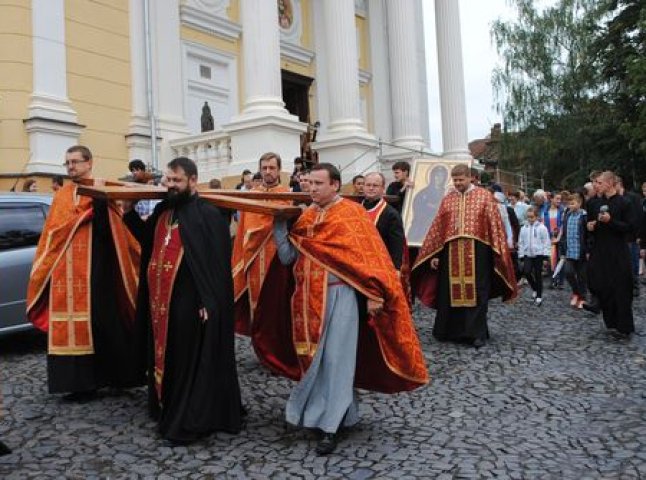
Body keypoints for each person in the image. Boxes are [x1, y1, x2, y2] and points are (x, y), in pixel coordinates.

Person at [268, 163, 428, 455]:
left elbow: (371, 258)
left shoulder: (352, 215)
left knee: (338, 361)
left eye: (318, 183)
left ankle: (330, 426)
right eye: (310, 183)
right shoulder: (306, 216)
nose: (312, 188)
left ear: (335, 185)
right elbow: (289, 258)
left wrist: (375, 294)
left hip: (339, 296)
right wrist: (279, 225)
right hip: (305, 300)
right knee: (313, 360)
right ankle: (322, 414)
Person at [123, 156, 243, 445]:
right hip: (161, 303)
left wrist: (209, 302)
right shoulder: (165, 211)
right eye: (168, 180)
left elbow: (215, 267)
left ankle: (190, 416)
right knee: (168, 357)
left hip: (191, 305)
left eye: (177, 180)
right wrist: (127, 213)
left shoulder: (208, 215)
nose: (171, 185)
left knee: (189, 360)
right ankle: (165, 404)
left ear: (192, 180)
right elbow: (146, 239)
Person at [26, 145, 144, 401]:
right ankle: (80, 385)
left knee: (105, 323)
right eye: (67, 162)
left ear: (89, 163)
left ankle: (117, 377)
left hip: (99, 270)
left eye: (75, 162)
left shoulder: (103, 189)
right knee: (73, 329)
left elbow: (111, 231)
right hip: (66, 274)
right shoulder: (62, 196)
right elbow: (53, 235)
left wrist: (100, 200)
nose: (70, 167)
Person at [411, 164, 517, 348]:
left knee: (477, 291)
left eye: (461, 180)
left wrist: (497, 253)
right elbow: (438, 229)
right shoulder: (448, 199)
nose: (458, 183)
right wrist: (435, 254)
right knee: (449, 292)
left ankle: (476, 333)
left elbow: (495, 227)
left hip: (478, 252)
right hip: (450, 252)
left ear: (471, 178)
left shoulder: (485, 197)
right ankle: (450, 331)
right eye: (455, 180)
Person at [232, 152, 293, 336]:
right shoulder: (251, 196)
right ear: (259, 169)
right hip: (252, 256)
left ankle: (275, 344)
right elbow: (244, 228)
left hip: (276, 258)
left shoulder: (287, 195)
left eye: (272, 168)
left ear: (279, 170)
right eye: (264, 168)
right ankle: (259, 342)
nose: (268, 172)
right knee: (256, 302)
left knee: (275, 303)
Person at [583, 171, 635, 337]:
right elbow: (590, 225)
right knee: (598, 282)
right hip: (600, 249)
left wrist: (610, 221)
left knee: (620, 288)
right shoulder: (595, 203)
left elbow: (629, 228)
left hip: (618, 250)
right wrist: (590, 227)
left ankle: (623, 326)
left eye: (600, 182)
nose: (597, 185)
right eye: (596, 182)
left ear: (610, 183)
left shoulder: (624, 202)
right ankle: (608, 319)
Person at [558, 193, 588, 308]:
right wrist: (562, 249)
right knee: (568, 272)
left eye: (573, 203)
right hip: (569, 251)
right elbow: (564, 234)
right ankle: (576, 292)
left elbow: (588, 235)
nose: (570, 206)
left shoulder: (584, 216)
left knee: (582, 276)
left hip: (580, 251)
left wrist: (588, 249)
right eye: (569, 204)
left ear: (579, 203)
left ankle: (582, 298)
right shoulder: (567, 216)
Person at [518, 206, 551, 306]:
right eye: (528, 217)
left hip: (539, 254)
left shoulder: (542, 228)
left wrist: (546, 256)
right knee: (527, 272)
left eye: (532, 217)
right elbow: (521, 242)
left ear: (536, 217)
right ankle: (535, 288)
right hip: (528, 253)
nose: (530, 219)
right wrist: (521, 255)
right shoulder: (524, 228)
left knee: (538, 275)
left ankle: (539, 296)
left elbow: (546, 242)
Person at [408, 165, 449, 245]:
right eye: (437, 175)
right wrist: (430, 207)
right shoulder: (424, 192)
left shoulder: (446, 192)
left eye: (442, 176)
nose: (439, 178)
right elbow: (417, 205)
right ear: (432, 177)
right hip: (423, 224)